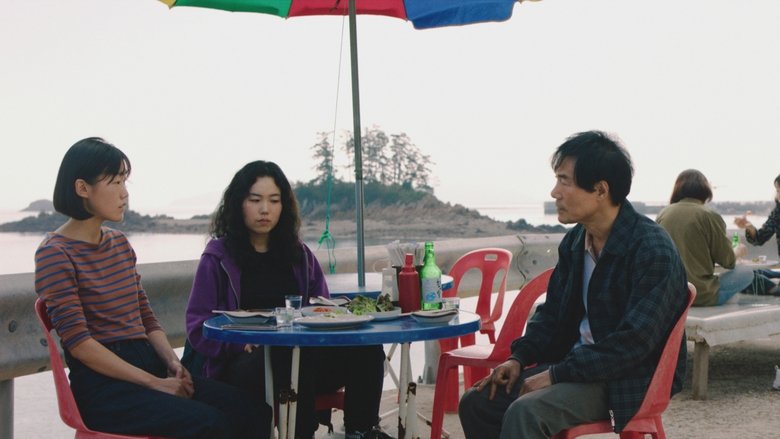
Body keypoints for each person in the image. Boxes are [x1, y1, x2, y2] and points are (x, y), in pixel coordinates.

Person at [458, 131, 689, 439]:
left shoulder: (651, 248)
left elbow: (634, 342)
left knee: (526, 411)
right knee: (476, 402)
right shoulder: (576, 241)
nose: (555, 192)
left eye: (564, 181)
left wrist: (555, 374)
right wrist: (519, 358)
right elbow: (551, 314)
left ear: (600, 190)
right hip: (574, 366)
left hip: (627, 378)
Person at [34, 137, 270, 438]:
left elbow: (146, 318)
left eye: (125, 181)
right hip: (104, 388)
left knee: (253, 410)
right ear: (82, 188)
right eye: (115, 182)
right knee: (210, 423)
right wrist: (154, 383)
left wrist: (172, 363)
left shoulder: (119, 243)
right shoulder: (55, 253)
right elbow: (80, 344)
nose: (124, 193)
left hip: (148, 363)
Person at [185, 160, 392, 439]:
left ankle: (361, 431)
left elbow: (322, 307)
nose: (265, 209)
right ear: (238, 204)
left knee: (367, 349)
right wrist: (239, 344)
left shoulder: (299, 254)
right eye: (255, 200)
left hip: (302, 356)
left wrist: (330, 319)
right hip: (244, 365)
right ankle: (301, 434)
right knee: (288, 354)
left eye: (274, 200)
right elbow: (196, 326)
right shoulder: (218, 257)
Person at [655, 169, 773, 305]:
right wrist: (737, 251)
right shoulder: (709, 215)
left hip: (671, 296)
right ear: (705, 189)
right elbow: (728, 261)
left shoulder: (663, 214)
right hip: (701, 295)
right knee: (746, 272)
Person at [734, 173, 780, 291]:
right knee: (749, 274)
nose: (776, 195)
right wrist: (749, 227)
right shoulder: (778, 212)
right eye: (777, 191)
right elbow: (759, 238)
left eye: (779, 191)